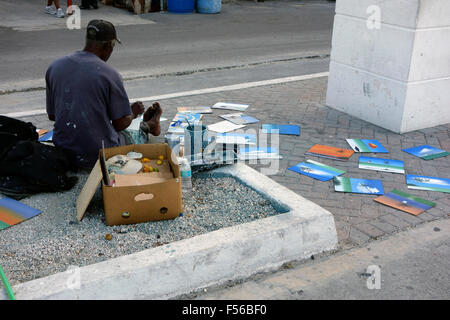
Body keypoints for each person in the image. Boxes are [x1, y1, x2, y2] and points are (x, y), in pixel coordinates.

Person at [45, 19, 162, 169]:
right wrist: (132, 114)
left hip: (64, 152)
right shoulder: (110, 74)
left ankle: (148, 124)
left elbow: (52, 116)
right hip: (99, 155)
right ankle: (148, 126)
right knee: (128, 134)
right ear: (108, 46)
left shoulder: (55, 67)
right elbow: (120, 124)